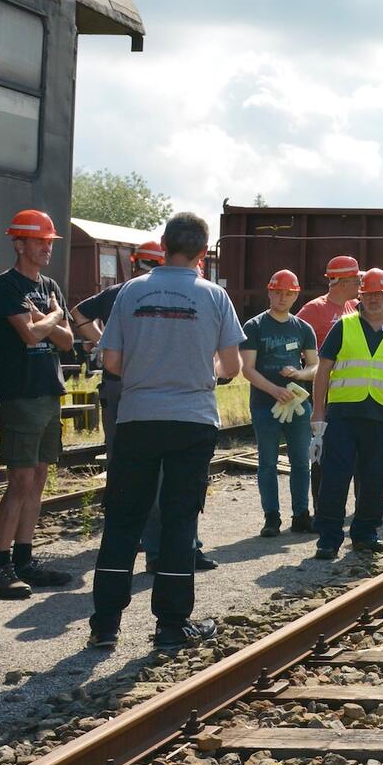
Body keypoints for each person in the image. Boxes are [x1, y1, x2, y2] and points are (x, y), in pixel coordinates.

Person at [87, 211, 244, 652]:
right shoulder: (214, 297)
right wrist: (203, 368)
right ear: (202, 252)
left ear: (163, 243)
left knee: (122, 520)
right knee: (178, 520)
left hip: (137, 418)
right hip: (191, 422)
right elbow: (231, 366)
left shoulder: (132, 291)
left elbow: (112, 361)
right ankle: (171, 626)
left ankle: (105, 624)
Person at [0, 209, 76, 598]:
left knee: (38, 478)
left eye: (49, 242)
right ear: (19, 244)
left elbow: (68, 342)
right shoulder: (6, 286)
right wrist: (52, 317)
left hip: (48, 391)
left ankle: (24, 559)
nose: (46, 248)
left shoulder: (50, 284)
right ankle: (0, 566)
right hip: (20, 393)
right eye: (40, 242)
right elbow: (29, 334)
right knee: (20, 480)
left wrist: (49, 321)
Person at [308, 267, 383, 560]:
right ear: (360, 296)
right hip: (342, 417)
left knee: (374, 478)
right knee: (334, 478)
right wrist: (319, 410)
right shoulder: (344, 326)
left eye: (380, 294)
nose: (374, 299)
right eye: (368, 294)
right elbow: (323, 370)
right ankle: (328, 539)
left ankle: (365, 534)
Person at [72, 239, 165, 460]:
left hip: (115, 380)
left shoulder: (114, 292)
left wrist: (103, 341)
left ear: (135, 264)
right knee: (150, 451)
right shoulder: (165, 295)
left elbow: (78, 313)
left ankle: (118, 490)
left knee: (117, 450)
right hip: (151, 383)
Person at [241, 268, 318, 535]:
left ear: (295, 295)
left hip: (297, 405)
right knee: (268, 462)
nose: (283, 298)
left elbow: (315, 366)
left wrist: (299, 374)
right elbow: (247, 369)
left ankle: (301, 515)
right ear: (270, 292)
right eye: (278, 292)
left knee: (300, 461)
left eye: (289, 293)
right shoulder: (254, 326)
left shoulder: (303, 328)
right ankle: (271, 517)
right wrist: (274, 390)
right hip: (265, 404)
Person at [297, 256, 361, 346]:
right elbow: (291, 336)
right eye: (357, 282)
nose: (360, 286)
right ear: (344, 285)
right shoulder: (315, 309)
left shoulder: (356, 305)